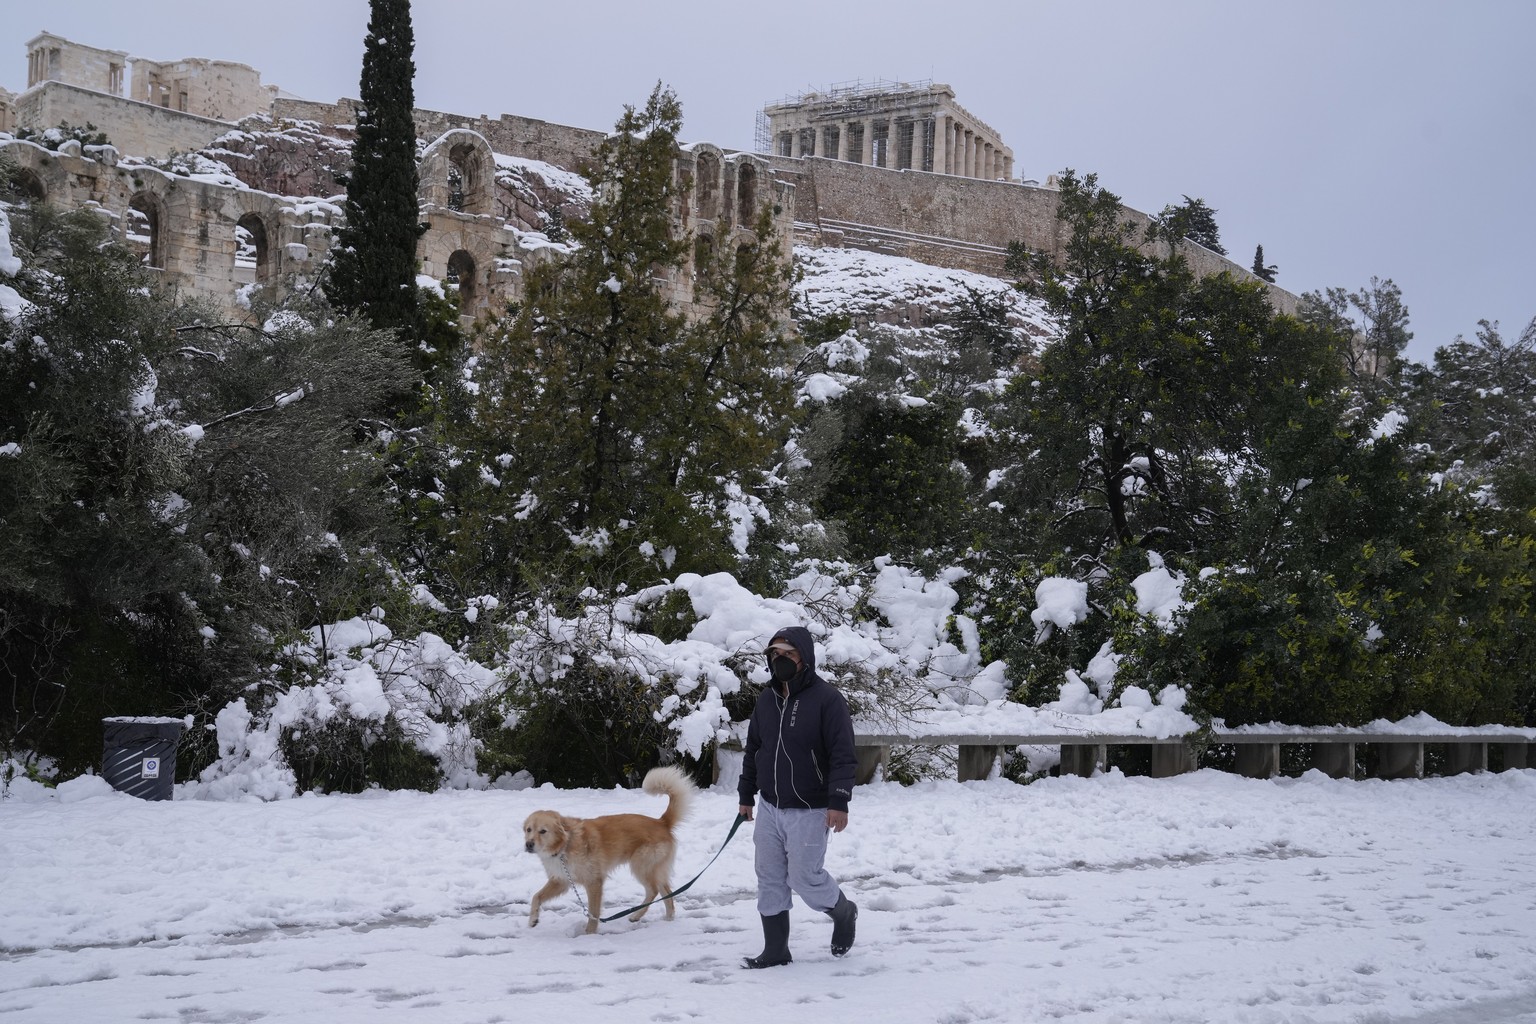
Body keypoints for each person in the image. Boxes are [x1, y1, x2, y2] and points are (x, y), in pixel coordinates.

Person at [737, 625, 858, 968]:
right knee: (770, 876)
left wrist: (839, 801)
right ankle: (776, 950)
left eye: (788, 654)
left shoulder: (827, 699)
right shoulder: (766, 699)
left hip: (811, 807)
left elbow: (843, 754)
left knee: (804, 877)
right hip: (770, 806)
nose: (780, 660)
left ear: (804, 657)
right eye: (775, 654)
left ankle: (843, 910)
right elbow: (754, 749)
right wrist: (747, 795)